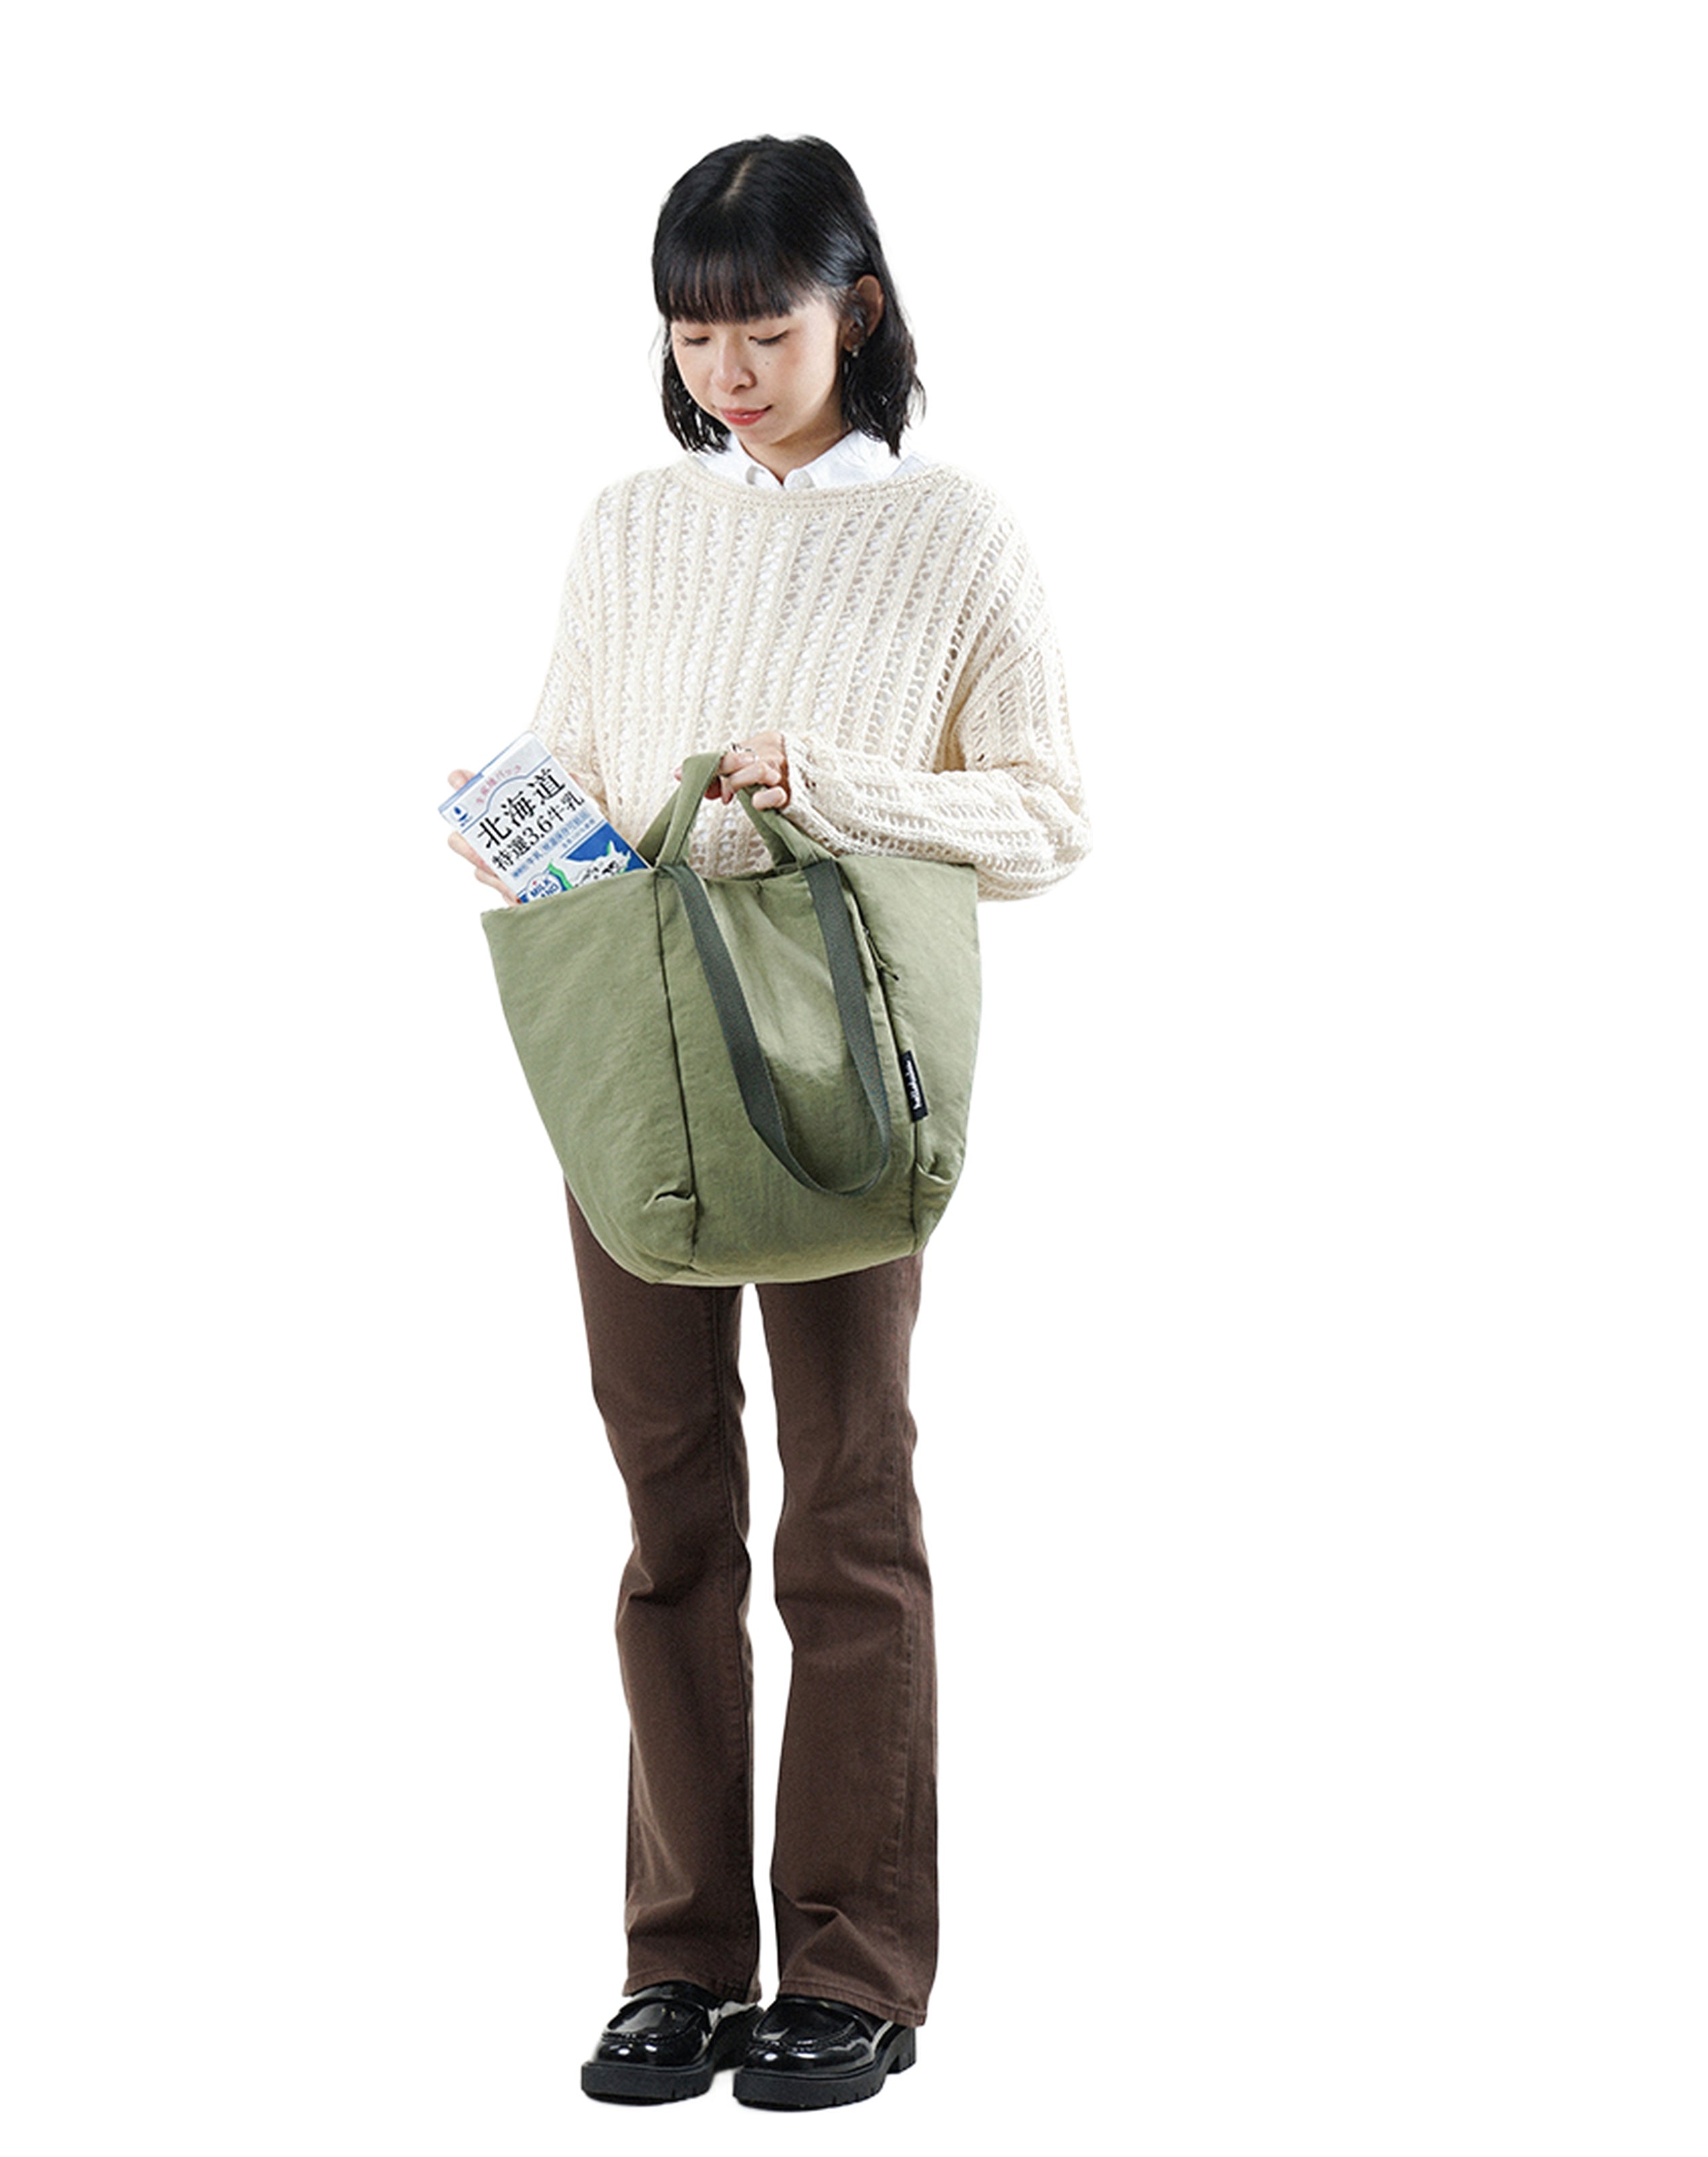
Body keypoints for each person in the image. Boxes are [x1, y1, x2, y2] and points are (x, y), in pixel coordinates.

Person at [446, 134, 1089, 2109]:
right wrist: (522, 829)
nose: (725, 368)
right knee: (668, 1526)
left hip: (829, 1075)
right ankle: (680, 1962)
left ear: (856, 310)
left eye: (765, 326)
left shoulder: (954, 536)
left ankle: (856, 1967)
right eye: (692, 330)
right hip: (631, 1070)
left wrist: (835, 785)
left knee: (847, 1514)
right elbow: (576, 758)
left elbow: (1045, 817)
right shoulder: (630, 527)